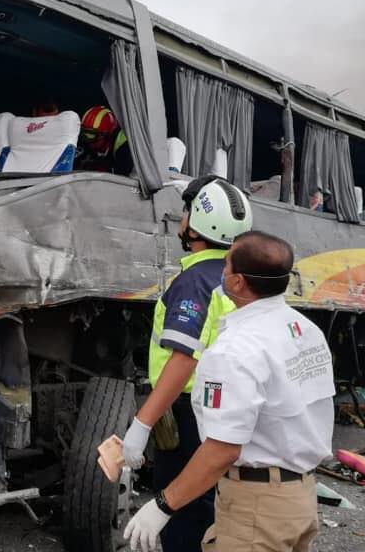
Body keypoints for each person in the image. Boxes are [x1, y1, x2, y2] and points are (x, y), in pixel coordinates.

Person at [124, 231, 335, 552]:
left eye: (225, 265)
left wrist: (163, 505)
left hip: (256, 508)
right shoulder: (306, 330)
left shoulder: (234, 350)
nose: (220, 271)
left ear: (237, 282)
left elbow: (223, 450)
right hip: (299, 499)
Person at [121, 176, 253, 552]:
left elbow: (183, 359)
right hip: (222, 408)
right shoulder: (235, 280)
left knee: (181, 511)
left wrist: (142, 424)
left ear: (196, 225)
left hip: (187, 411)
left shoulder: (193, 281)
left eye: (186, 211)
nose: (180, 218)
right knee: (210, 505)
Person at [76, 105, 132, 175]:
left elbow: (123, 177)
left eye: (91, 135)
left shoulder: (124, 147)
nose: (87, 140)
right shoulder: (88, 143)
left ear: (105, 134)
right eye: (84, 134)